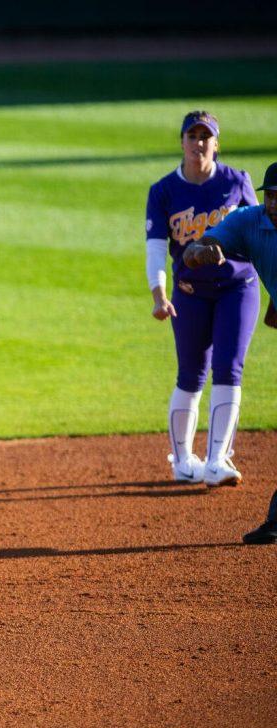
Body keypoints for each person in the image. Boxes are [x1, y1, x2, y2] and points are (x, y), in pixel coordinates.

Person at [145, 111, 260, 486]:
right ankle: (182, 461)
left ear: (216, 143)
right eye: (192, 136)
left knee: (229, 368)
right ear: (181, 142)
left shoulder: (236, 181)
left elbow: (258, 236)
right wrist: (160, 295)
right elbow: (156, 249)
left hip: (237, 288)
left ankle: (216, 461)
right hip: (189, 294)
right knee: (190, 376)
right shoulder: (163, 191)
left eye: (205, 137)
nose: (199, 144)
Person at [183, 161, 277, 544]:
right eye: (270, 195)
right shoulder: (252, 221)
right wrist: (202, 251)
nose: (274, 202)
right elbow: (196, 247)